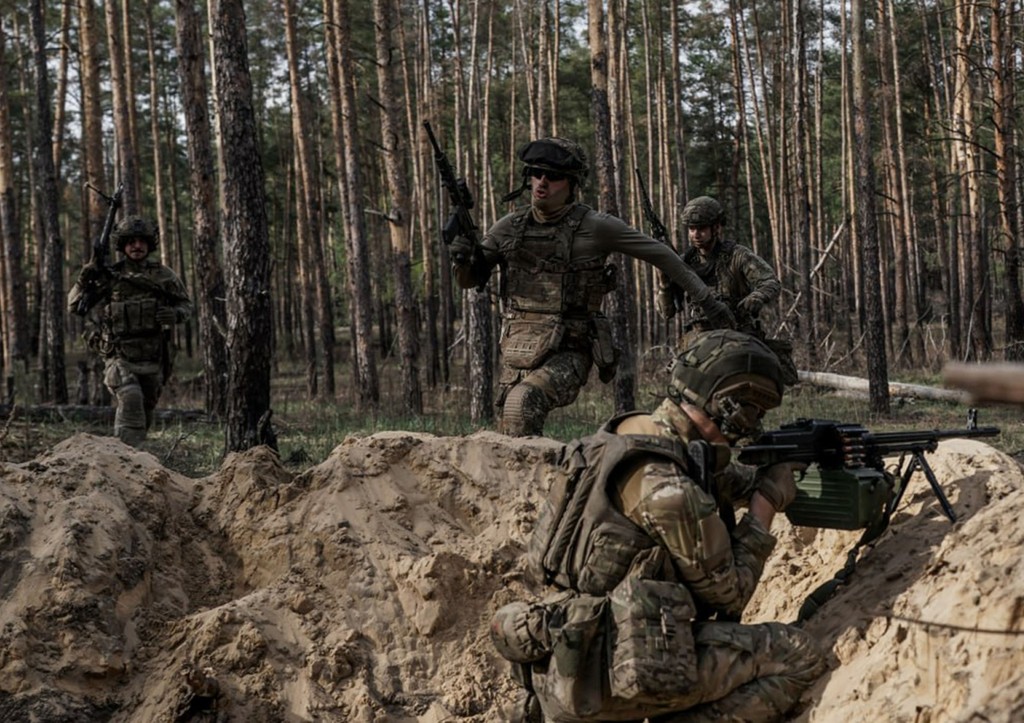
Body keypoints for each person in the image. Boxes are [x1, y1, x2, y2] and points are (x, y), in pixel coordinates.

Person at [491, 330, 826, 722]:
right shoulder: (665, 485)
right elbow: (730, 594)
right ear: (731, 404)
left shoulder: (626, 435)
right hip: (609, 674)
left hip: (565, 656)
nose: (754, 423)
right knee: (798, 655)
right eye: (755, 410)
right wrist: (765, 503)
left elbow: (711, 480)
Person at [450, 138, 733, 437]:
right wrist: (462, 258)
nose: (541, 182)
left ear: (572, 184)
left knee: (522, 402)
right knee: (510, 428)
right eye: (535, 172)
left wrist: (710, 303)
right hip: (518, 350)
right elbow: (469, 280)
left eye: (553, 176)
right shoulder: (509, 227)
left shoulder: (595, 227)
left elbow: (663, 256)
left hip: (570, 350)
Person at [68, 215, 192, 446]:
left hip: (153, 358)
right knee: (131, 398)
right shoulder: (110, 276)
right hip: (119, 356)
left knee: (144, 413)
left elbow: (186, 305)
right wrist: (86, 274)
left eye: (142, 241)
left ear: (150, 244)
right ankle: (124, 460)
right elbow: (75, 306)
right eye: (131, 241)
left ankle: (132, 464)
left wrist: (175, 315)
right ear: (122, 245)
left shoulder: (163, 275)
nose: (137, 246)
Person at [658, 196, 797, 385]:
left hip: (736, 336)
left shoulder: (737, 256)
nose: (696, 234)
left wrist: (756, 297)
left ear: (716, 228)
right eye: (692, 229)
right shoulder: (684, 263)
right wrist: (665, 284)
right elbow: (667, 312)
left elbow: (770, 281)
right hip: (700, 342)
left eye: (701, 228)